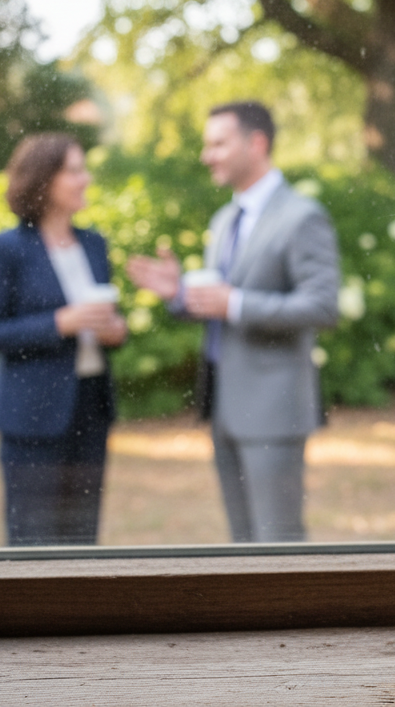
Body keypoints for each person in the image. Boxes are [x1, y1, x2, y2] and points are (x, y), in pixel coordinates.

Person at [127, 101, 340, 542]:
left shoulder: (302, 216)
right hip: (223, 406)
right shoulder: (224, 219)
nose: (207, 156)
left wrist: (236, 303)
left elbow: (321, 306)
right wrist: (180, 294)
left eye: (218, 144)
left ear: (256, 143)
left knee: (277, 543)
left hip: (273, 413)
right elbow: (220, 302)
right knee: (240, 545)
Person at [0, 133, 127, 546]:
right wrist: (61, 322)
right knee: (34, 540)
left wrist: (115, 330)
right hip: (31, 416)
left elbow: (106, 320)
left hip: (90, 408)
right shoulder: (6, 249)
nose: (85, 179)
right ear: (43, 179)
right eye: (75, 170)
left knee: (82, 536)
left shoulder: (94, 244)